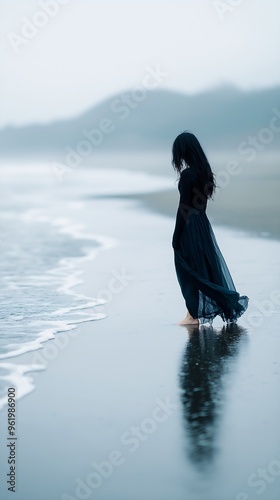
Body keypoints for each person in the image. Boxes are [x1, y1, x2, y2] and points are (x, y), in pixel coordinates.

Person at [172, 131, 249, 326]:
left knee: (188, 269)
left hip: (190, 225)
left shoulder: (188, 175)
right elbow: (200, 206)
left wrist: (176, 235)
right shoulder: (204, 173)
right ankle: (194, 313)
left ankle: (193, 315)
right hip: (202, 224)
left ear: (184, 151)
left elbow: (183, 208)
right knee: (202, 268)